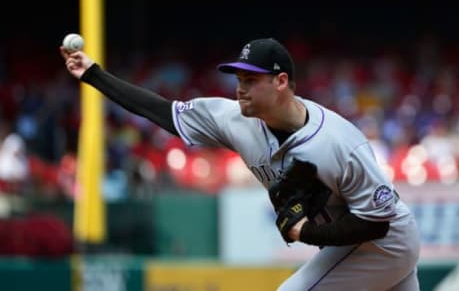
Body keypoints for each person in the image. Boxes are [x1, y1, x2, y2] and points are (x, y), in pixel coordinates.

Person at [60, 38, 420, 290]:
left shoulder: (340, 143)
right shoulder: (234, 119)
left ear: (281, 82)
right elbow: (163, 113)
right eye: (238, 79)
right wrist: (95, 75)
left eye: (251, 80)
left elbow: (378, 224)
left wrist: (306, 232)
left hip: (385, 242)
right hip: (357, 241)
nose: (239, 88)